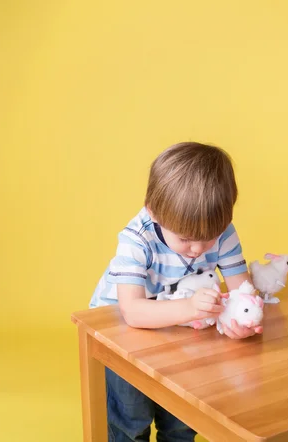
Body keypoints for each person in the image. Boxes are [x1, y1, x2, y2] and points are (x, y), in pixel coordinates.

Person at [90, 141, 260, 441]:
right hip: (121, 330)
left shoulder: (221, 231)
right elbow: (132, 311)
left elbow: (242, 291)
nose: (197, 250)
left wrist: (242, 322)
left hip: (179, 326)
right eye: (185, 239)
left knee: (183, 416)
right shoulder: (136, 239)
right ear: (153, 211)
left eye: (208, 240)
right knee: (132, 418)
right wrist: (191, 309)